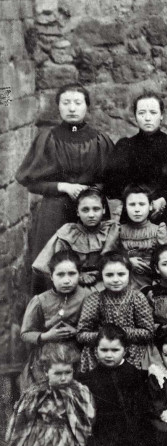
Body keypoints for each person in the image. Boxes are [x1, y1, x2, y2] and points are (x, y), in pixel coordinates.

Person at [16, 83, 113, 294]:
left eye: (78, 103)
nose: (72, 108)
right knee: (53, 261)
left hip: (91, 210)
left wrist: (92, 192)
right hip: (55, 210)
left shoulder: (100, 139)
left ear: (87, 107)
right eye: (66, 103)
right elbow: (29, 180)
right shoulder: (47, 138)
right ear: (58, 106)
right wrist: (63, 186)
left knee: (95, 261)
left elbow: (112, 180)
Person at [6, 343, 95, 446]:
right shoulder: (36, 393)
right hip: (40, 440)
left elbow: (87, 417)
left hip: (68, 442)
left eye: (68, 372)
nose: (64, 378)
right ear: (46, 372)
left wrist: (80, 440)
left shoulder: (79, 392)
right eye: (58, 373)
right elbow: (22, 420)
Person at [103, 91, 167, 224]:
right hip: (134, 213)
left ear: (162, 115)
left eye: (153, 113)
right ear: (135, 116)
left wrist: (164, 199)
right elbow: (112, 185)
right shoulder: (125, 146)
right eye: (142, 113)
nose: (147, 118)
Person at [79, 325, 153, 446]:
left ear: (125, 351)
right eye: (104, 350)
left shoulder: (136, 375)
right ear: (96, 351)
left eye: (115, 350)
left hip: (129, 434)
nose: (109, 355)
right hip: (102, 433)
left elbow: (141, 409)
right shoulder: (90, 378)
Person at [19, 250, 88, 389]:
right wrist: (46, 336)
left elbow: (98, 329)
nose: (66, 280)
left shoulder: (88, 296)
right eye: (60, 274)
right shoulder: (40, 301)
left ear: (79, 274)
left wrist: (77, 332)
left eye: (72, 274)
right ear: (51, 276)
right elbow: (25, 333)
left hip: (78, 357)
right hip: (46, 358)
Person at [76, 252, 154, 372]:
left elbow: (148, 332)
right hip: (101, 352)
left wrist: (122, 334)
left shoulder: (137, 297)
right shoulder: (95, 299)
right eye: (109, 275)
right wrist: (104, 336)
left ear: (129, 274)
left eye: (121, 274)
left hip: (131, 351)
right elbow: (81, 334)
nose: (115, 280)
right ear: (102, 276)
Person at [32, 188, 118, 293]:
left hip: (106, 281)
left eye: (96, 209)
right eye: (85, 210)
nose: (91, 215)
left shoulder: (111, 229)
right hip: (75, 284)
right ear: (77, 212)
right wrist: (78, 275)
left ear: (103, 210)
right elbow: (58, 262)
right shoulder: (68, 233)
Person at [116, 184, 167, 289]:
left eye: (142, 204)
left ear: (150, 206)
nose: (137, 209)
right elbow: (110, 255)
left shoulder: (158, 230)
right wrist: (127, 261)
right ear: (125, 207)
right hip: (123, 282)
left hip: (150, 282)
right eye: (132, 205)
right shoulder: (118, 230)